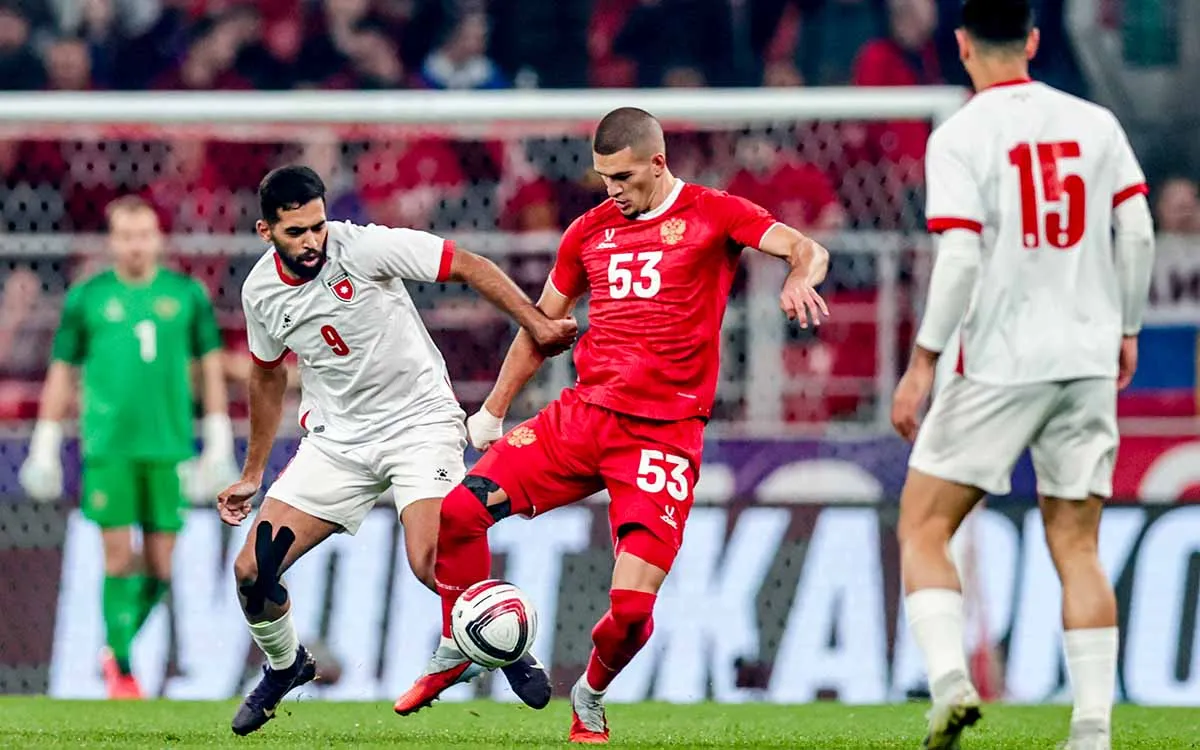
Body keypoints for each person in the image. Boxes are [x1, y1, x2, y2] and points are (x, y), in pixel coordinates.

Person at [393, 107, 831, 743]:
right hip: (583, 417)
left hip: (663, 435)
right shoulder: (588, 231)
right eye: (604, 178)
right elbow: (542, 326)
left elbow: (806, 247)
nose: (612, 190)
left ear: (658, 162)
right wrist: (493, 408)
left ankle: (590, 692)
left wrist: (797, 278)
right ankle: (458, 642)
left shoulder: (714, 213)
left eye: (623, 177)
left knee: (628, 611)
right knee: (458, 513)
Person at [215, 166, 577, 736]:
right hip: (337, 442)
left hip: (419, 425)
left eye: (317, 225)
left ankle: (507, 646)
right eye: (295, 232)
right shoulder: (260, 292)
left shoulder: (364, 247)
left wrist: (537, 323)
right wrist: (252, 471)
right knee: (251, 572)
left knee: (432, 562)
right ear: (266, 231)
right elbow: (267, 376)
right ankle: (286, 666)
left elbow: (467, 264)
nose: (312, 241)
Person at [889, 2, 1156, 748]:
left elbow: (961, 257)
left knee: (924, 525)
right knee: (1077, 545)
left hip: (999, 361)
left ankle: (949, 684)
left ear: (962, 45)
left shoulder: (960, 134)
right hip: (1086, 360)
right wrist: (1127, 327)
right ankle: (1093, 729)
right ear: (1034, 40)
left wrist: (922, 363)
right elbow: (1137, 232)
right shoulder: (1096, 124)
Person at [19, 195, 238, 699]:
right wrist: (45, 443)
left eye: (143, 235)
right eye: (126, 236)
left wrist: (217, 438)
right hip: (109, 448)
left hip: (168, 447)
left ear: (157, 239)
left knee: (161, 568)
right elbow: (62, 370)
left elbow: (209, 365)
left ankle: (113, 646)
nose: (136, 245)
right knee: (117, 560)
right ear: (112, 241)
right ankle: (121, 667)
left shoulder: (186, 295)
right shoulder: (88, 297)